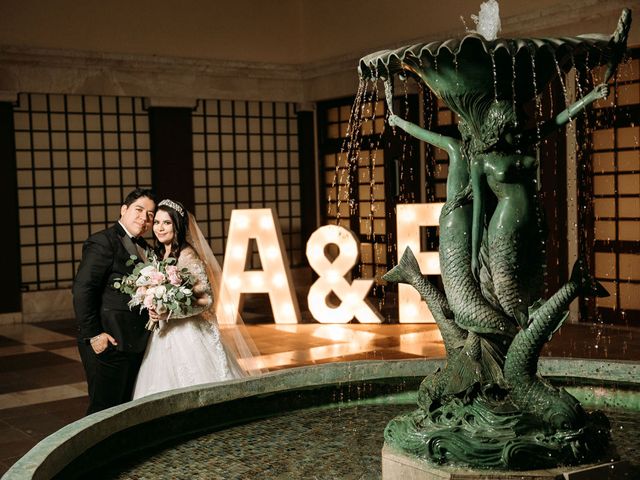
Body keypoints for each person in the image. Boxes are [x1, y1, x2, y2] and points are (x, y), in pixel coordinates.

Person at [132, 199, 263, 399]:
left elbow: (207, 300)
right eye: (157, 222)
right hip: (164, 333)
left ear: (177, 225)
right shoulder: (158, 253)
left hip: (189, 333)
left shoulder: (187, 255)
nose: (159, 228)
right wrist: (151, 301)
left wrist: (170, 311)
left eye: (166, 223)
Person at [73, 188, 156, 414]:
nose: (144, 218)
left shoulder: (147, 249)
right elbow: (83, 290)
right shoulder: (103, 242)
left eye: (150, 214)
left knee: (124, 406)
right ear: (124, 209)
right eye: (139, 210)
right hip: (108, 340)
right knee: (103, 410)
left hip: (135, 342)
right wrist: (94, 335)